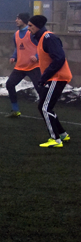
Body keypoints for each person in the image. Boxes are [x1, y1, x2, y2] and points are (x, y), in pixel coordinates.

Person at [27, 15, 72, 148]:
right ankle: (62, 134)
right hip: (54, 77)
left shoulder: (48, 38)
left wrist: (45, 76)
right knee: (45, 107)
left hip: (56, 77)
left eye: (31, 26)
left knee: (45, 107)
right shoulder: (42, 38)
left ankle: (55, 139)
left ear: (38, 26)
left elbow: (59, 58)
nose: (29, 29)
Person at [5, 12, 41, 118]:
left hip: (33, 67)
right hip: (20, 67)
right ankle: (15, 110)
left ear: (24, 20)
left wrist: (37, 56)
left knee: (40, 89)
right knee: (10, 84)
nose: (16, 20)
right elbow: (19, 47)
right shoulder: (15, 34)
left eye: (19, 19)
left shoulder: (32, 33)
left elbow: (42, 46)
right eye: (16, 18)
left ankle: (47, 110)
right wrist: (14, 56)